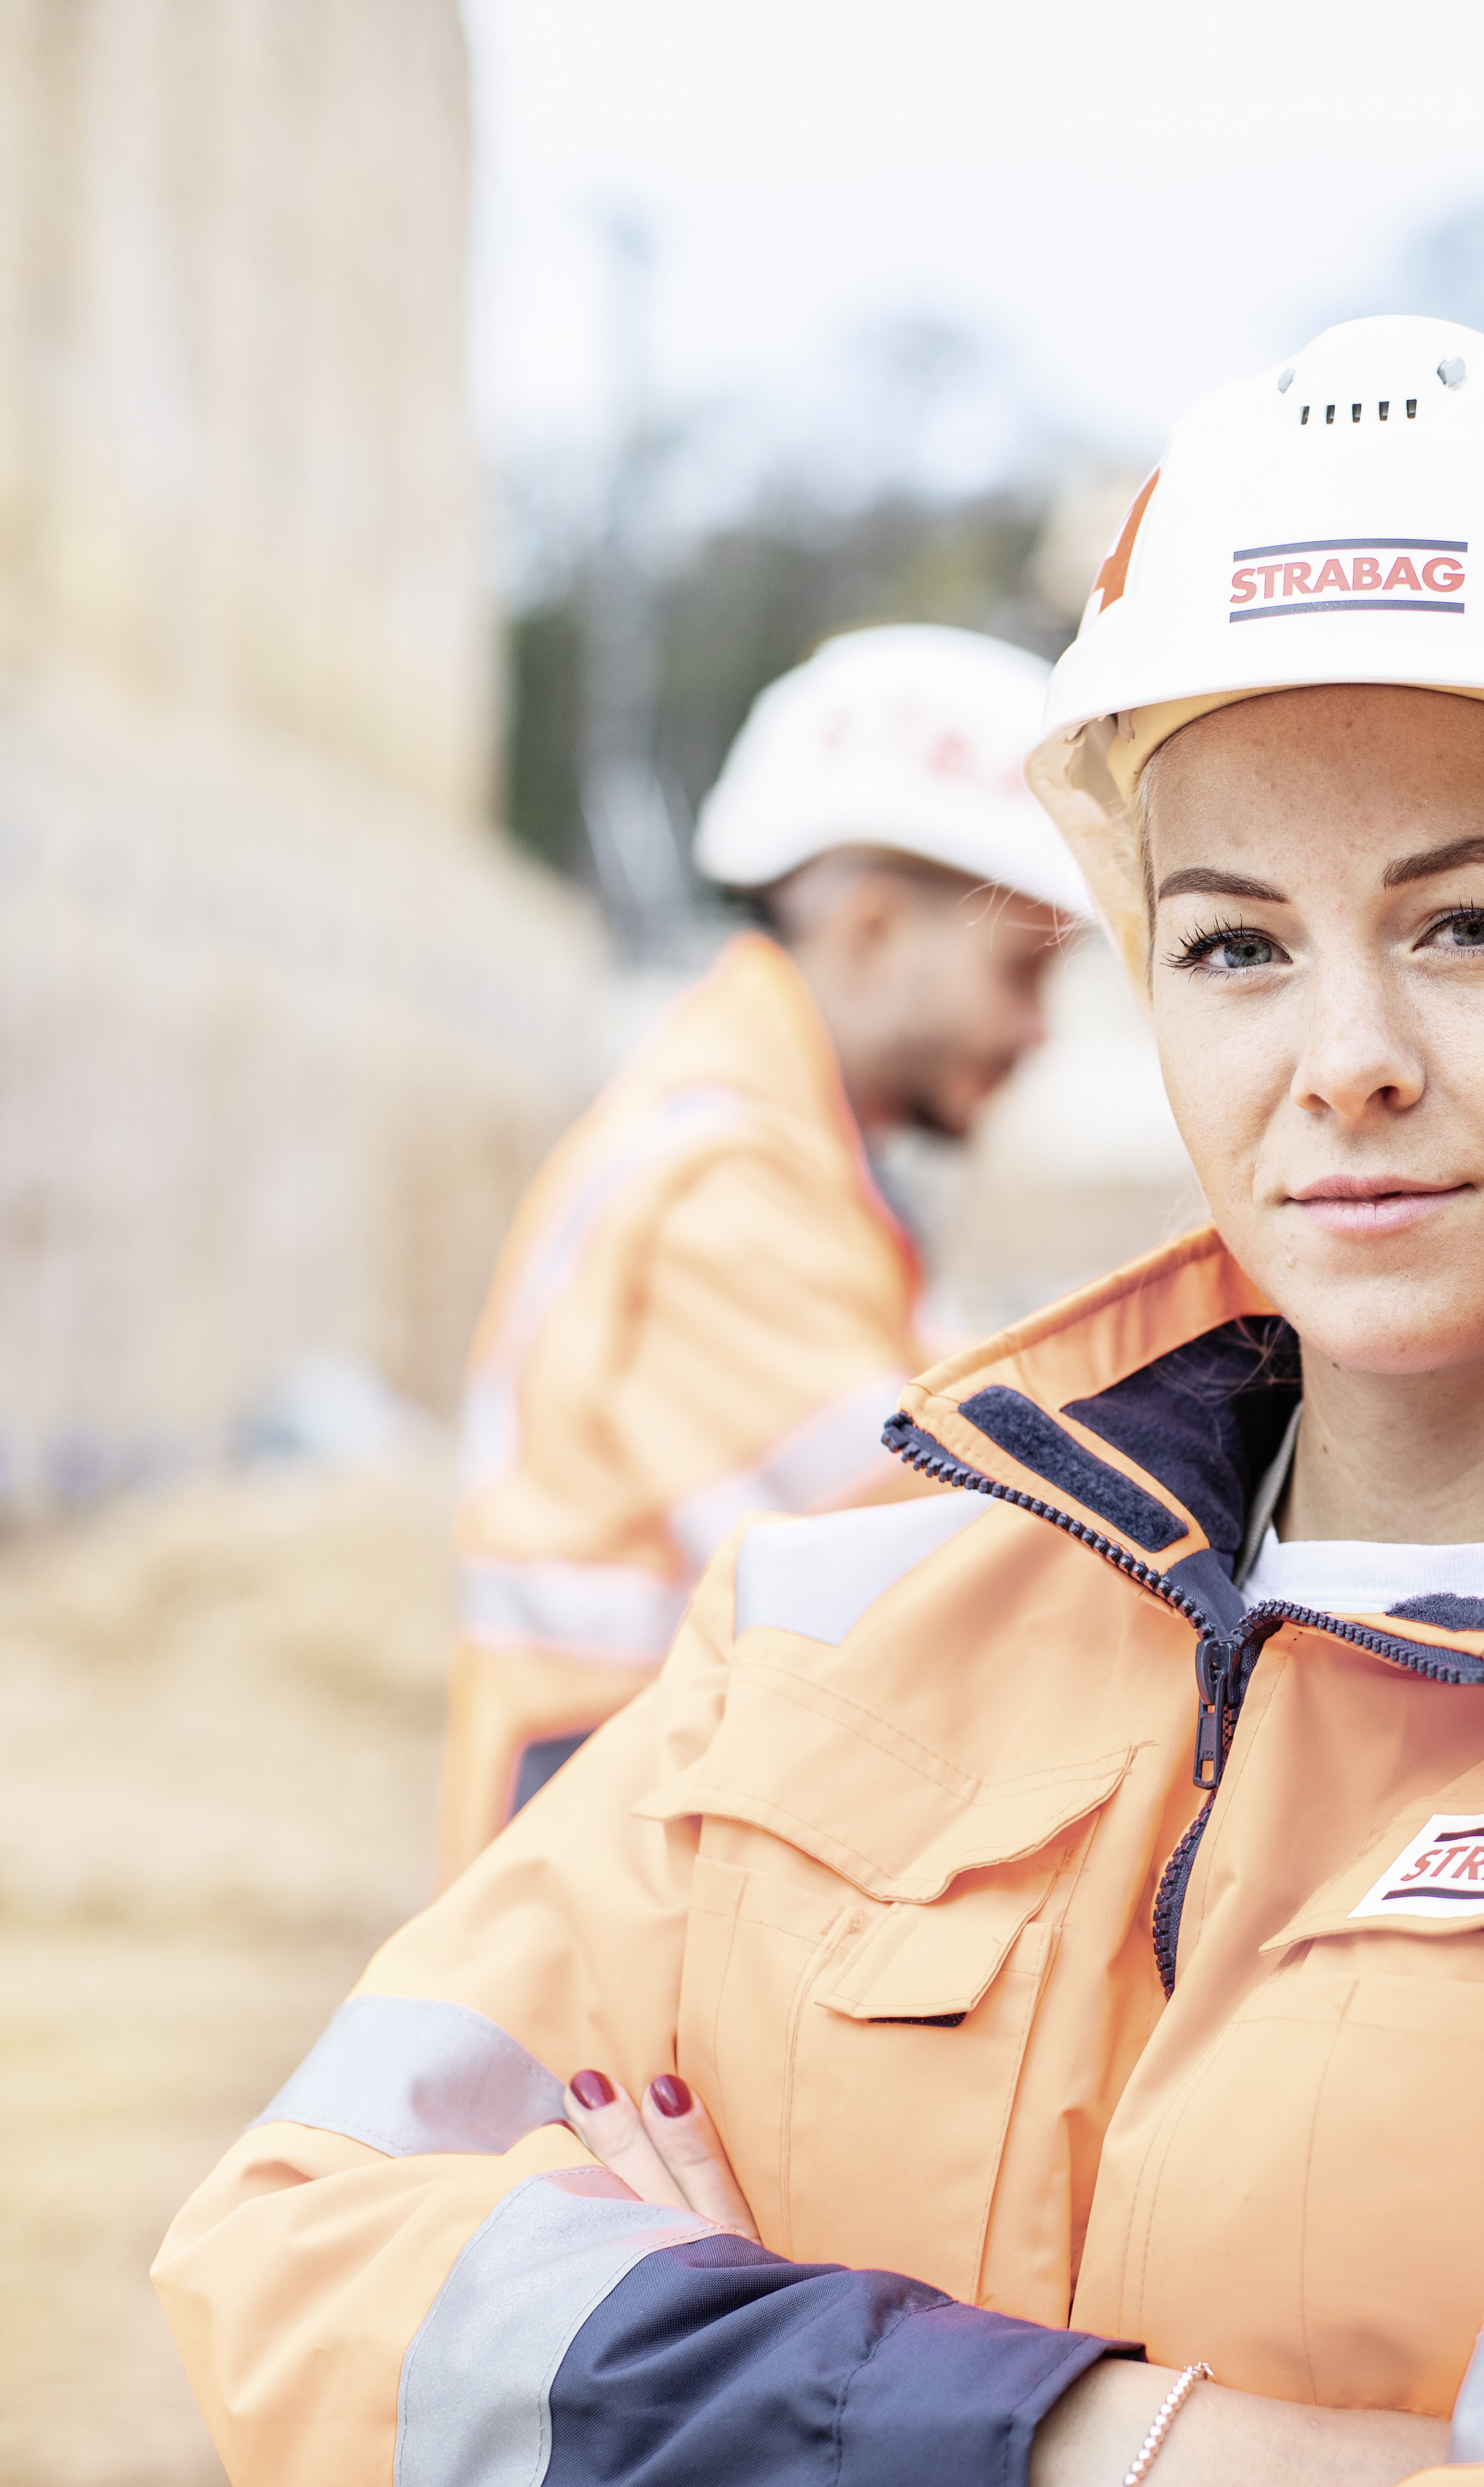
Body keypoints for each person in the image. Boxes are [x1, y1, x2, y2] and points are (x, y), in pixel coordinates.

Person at [160, 318, 1484, 2487]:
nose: (1339, 1054)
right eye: (1235, 944)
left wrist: (759, 2363)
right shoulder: (815, 1630)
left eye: (1469, 926)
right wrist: (1168, 2436)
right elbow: (298, 2279)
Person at [434, 623, 1094, 1882]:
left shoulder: (785, 1151)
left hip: (643, 1823)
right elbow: (919, 1545)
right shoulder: (724, 1186)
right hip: (616, 1871)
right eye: (1022, 969)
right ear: (872, 932)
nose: (1038, 1030)